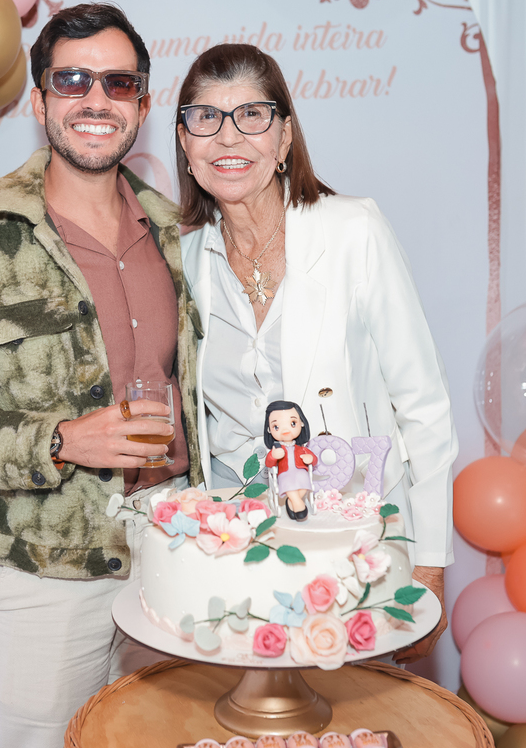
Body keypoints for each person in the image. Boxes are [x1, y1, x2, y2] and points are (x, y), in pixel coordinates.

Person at [0, 3, 203, 747]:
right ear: (39, 103)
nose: (96, 100)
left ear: (142, 106)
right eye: (72, 81)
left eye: (119, 83)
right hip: (43, 566)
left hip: (175, 551)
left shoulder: (181, 235)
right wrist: (62, 440)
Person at [176, 43, 458, 663]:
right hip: (236, 557)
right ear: (186, 144)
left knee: (358, 708)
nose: (228, 136)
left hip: (359, 545)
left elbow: (424, 406)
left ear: (284, 139)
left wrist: (431, 566)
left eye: (252, 115)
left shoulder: (353, 230)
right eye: (206, 117)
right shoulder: (185, 260)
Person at [262, 400, 316, 520]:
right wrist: (273, 456)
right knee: (288, 483)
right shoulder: (276, 449)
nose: (285, 430)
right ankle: (298, 505)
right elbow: (268, 463)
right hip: (284, 472)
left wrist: (310, 458)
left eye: (293, 423)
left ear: (301, 423)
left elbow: (314, 459)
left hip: (300, 471)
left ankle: (291, 502)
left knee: (304, 483)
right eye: (276, 427)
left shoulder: (301, 448)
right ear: (269, 429)